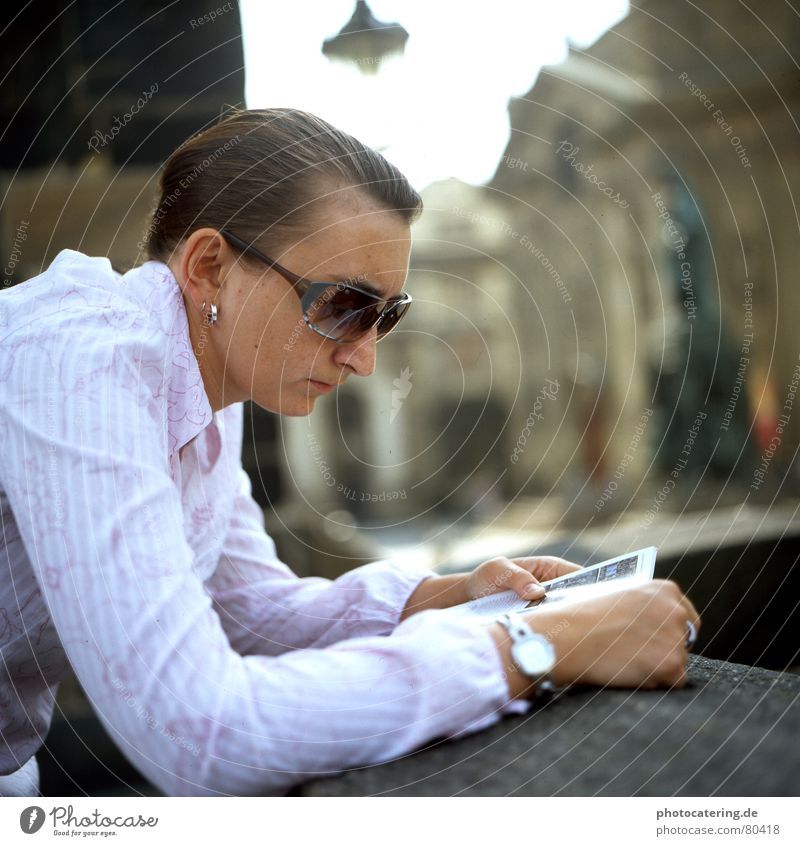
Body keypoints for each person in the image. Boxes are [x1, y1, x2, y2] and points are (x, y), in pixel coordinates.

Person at [0, 108, 700, 797]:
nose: (365, 356)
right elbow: (199, 733)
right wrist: (531, 648)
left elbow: (250, 610)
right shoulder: (83, 366)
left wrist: (447, 597)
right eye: (341, 305)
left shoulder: (207, 374)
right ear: (210, 267)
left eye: (387, 315)